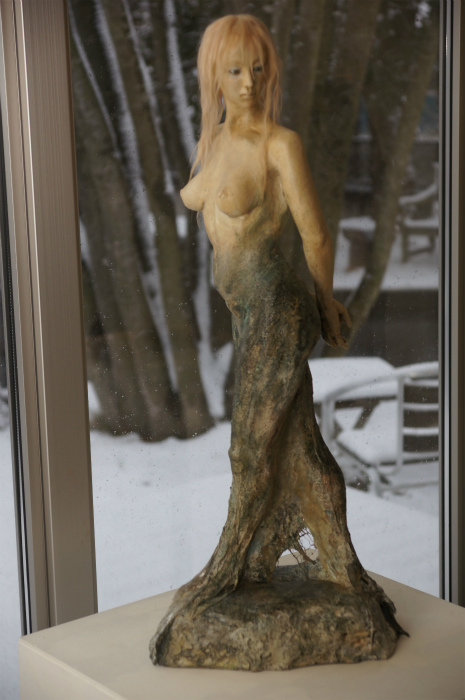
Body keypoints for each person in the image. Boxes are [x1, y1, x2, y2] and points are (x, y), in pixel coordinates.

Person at [151, 14, 396, 662]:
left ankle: (225, 570)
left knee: (249, 448)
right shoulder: (213, 142)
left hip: (279, 310)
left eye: (258, 69)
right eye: (234, 70)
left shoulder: (279, 145)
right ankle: (328, 556)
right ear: (213, 74)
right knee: (298, 449)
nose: (248, 83)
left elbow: (315, 234)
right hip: (248, 315)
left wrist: (325, 302)